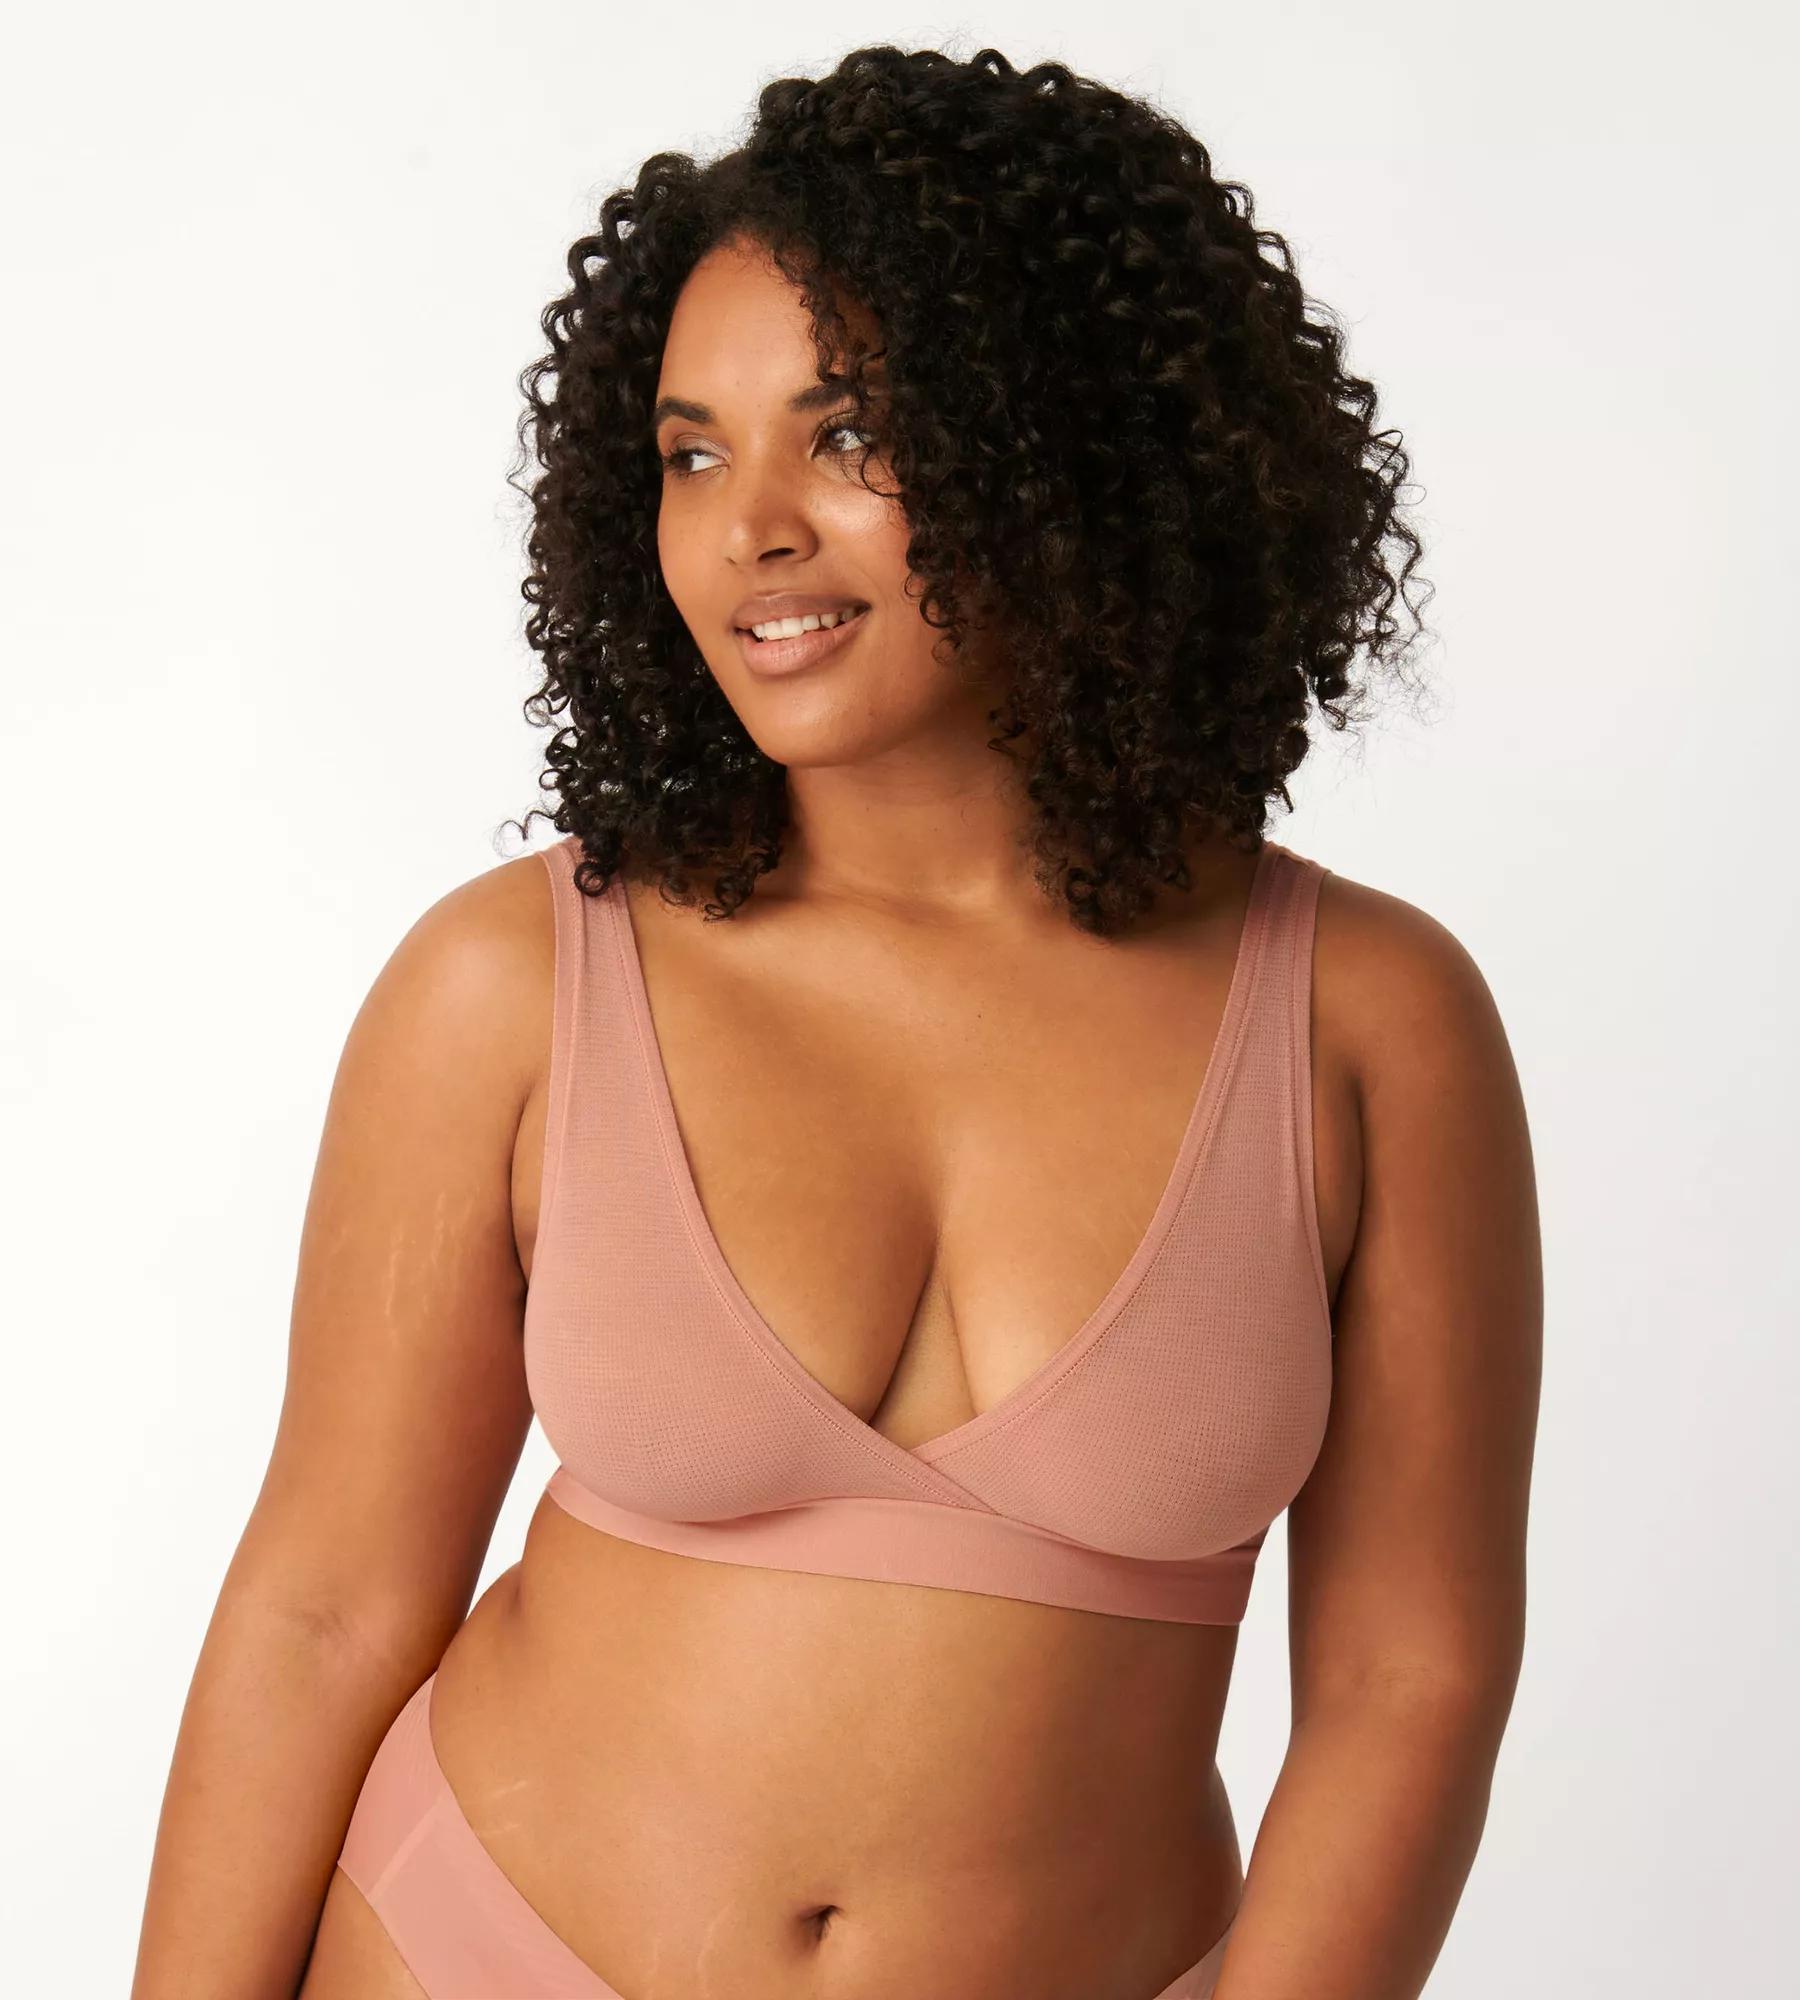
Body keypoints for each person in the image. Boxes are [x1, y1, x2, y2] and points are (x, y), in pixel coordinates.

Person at [131, 42, 1541, 2000]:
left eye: (850, 434)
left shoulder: (1368, 1023)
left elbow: (1411, 1674)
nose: (751, 529)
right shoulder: (514, 982)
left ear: (1075, 450)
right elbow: (324, 1603)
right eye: (692, 452)